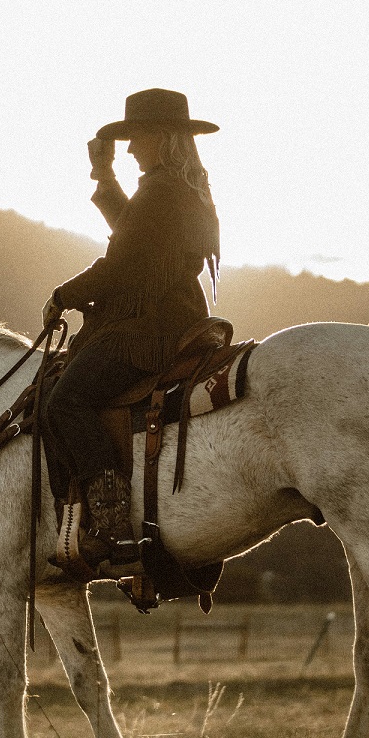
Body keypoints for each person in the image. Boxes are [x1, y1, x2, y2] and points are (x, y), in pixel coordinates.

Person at [41, 88, 221, 576]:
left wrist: (63, 296)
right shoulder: (181, 188)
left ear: (160, 139)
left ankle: (111, 518)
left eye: (137, 138)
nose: (132, 148)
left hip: (153, 326)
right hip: (178, 314)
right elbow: (135, 236)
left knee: (65, 401)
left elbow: (119, 264)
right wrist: (104, 176)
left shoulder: (161, 191)